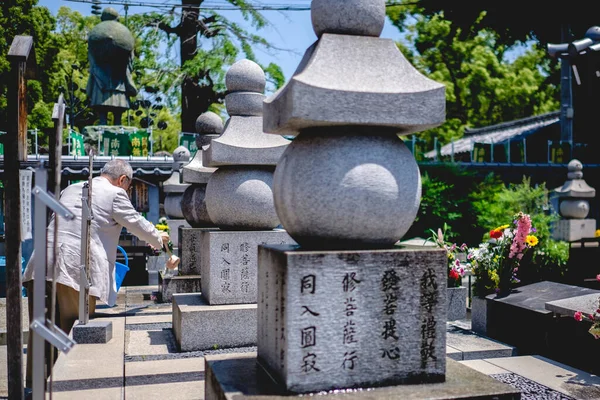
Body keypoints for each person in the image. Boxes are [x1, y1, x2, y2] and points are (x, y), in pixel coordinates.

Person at [22, 159, 170, 387]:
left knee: (41, 330)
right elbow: (136, 223)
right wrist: (159, 239)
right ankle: (64, 387)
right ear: (123, 180)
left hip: (41, 261)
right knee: (70, 330)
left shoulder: (71, 188)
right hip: (73, 268)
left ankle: (35, 386)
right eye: (128, 187)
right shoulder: (115, 194)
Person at [86, 7, 137, 125]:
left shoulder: (96, 35)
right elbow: (129, 57)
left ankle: (103, 121)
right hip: (119, 77)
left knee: (102, 107)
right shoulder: (122, 33)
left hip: (100, 75)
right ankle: (117, 122)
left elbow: (91, 55)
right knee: (118, 105)